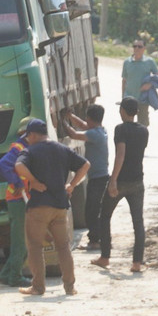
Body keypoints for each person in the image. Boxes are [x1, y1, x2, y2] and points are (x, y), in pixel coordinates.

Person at [15, 118, 89, 297]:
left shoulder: (30, 151)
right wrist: (71, 185)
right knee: (63, 247)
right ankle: (70, 287)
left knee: (35, 246)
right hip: (60, 206)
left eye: (28, 136)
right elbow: (85, 165)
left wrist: (33, 181)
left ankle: (38, 287)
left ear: (32, 134)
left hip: (39, 206)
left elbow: (18, 166)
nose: (27, 139)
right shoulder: (62, 149)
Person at [90, 96, 149, 274]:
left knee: (105, 216)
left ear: (122, 111)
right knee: (138, 222)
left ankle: (105, 257)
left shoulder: (120, 129)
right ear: (137, 112)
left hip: (121, 181)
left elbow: (120, 155)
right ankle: (137, 263)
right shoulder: (144, 131)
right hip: (138, 181)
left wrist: (113, 180)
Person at [62, 104, 110, 252]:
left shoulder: (95, 134)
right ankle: (98, 239)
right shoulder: (100, 130)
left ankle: (95, 241)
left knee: (92, 211)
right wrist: (70, 116)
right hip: (100, 177)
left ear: (90, 118)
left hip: (98, 179)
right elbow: (82, 125)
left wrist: (62, 120)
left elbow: (74, 134)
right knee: (95, 210)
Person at [0, 116, 34, 288]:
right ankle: (15, 278)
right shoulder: (20, 148)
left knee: (20, 241)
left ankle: (6, 274)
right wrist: (17, 182)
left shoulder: (23, 147)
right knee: (21, 243)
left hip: (18, 199)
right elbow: (3, 164)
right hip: (18, 200)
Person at [120, 39, 158, 127]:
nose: (137, 48)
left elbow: (157, 76)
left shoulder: (149, 62)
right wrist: (123, 97)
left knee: (142, 125)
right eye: (135, 46)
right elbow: (124, 80)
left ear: (144, 48)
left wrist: (149, 85)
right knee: (127, 125)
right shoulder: (127, 62)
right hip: (129, 98)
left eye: (139, 46)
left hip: (143, 98)